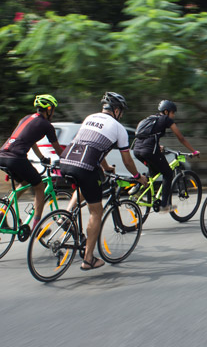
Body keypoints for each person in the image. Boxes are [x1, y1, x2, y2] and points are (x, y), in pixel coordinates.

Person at [60, 92, 147, 271]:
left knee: (87, 186)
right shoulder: (118, 128)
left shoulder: (89, 118)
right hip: (85, 166)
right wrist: (138, 177)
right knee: (96, 212)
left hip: (66, 162)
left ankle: (66, 214)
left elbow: (95, 148)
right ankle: (89, 259)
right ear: (116, 110)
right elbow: (127, 161)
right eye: (121, 111)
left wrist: (106, 168)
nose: (121, 115)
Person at [0, 94, 64, 230]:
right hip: (17, 158)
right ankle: (36, 226)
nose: (53, 113)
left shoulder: (26, 118)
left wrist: (41, 158)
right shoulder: (46, 125)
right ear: (49, 109)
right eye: (53, 110)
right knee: (39, 186)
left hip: (3, 156)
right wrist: (70, 161)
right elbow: (58, 150)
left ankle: (2, 214)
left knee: (25, 182)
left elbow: (30, 140)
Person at [131, 100, 199, 213]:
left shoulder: (150, 119)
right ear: (166, 111)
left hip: (137, 150)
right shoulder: (166, 119)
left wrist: (157, 145)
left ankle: (137, 190)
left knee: (153, 171)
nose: (173, 116)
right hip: (149, 151)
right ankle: (164, 205)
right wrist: (194, 151)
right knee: (167, 173)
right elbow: (180, 137)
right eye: (173, 113)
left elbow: (146, 135)